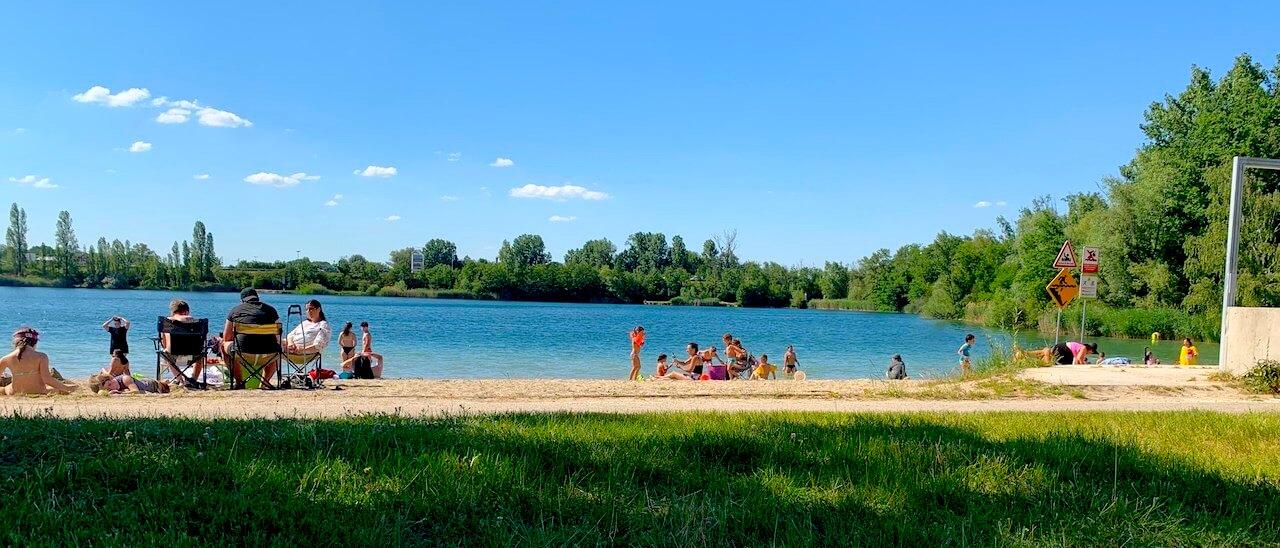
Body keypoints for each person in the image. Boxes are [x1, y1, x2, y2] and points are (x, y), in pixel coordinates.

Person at [221, 288, 282, 389]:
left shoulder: (235, 311)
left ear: (242, 301)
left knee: (223, 345)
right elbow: (278, 335)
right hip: (269, 354)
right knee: (279, 347)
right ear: (257, 298)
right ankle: (265, 383)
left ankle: (239, 382)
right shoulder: (271, 310)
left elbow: (227, 337)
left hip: (243, 353)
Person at [2, 327, 73, 395]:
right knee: (63, 388)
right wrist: (66, 388)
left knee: (5, 388)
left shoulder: (6, 358)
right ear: (34, 343)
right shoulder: (41, 357)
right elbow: (47, 379)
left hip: (14, 392)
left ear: (15, 342)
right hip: (38, 391)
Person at [162, 299, 206, 383]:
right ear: (187, 311)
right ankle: (193, 379)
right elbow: (202, 339)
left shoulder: (167, 322)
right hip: (194, 354)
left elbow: (164, 343)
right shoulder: (194, 321)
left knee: (166, 353)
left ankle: (180, 380)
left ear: (173, 311)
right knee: (200, 352)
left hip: (173, 354)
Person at [89, 372, 170, 394]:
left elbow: (136, 391)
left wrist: (119, 392)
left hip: (154, 386)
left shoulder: (125, 379)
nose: (111, 388)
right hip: (143, 385)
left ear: (109, 379)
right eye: (108, 389)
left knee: (167, 387)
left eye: (110, 385)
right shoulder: (112, 385)